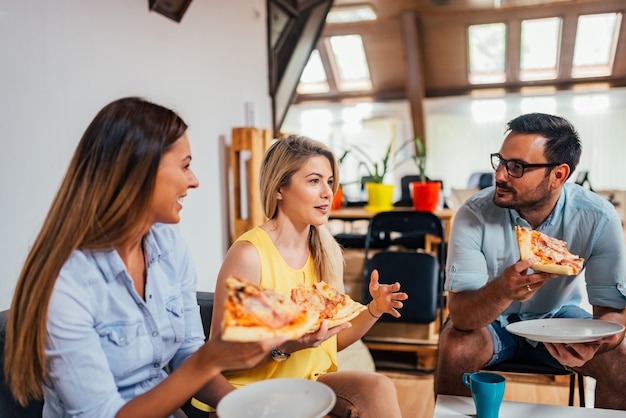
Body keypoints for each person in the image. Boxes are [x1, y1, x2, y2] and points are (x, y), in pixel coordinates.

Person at [4, 97, 284, 418]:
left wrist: (252, 408)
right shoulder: (66, 282)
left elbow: (187, 353)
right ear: (140, 171)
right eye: (185, 165)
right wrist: (213, 358)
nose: (194, 180)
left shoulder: (169, 246)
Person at [203, 135, 407, 417]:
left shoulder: (325, 250)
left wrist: (374, 309)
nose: (328, 192)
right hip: (251, 394)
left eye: (329, 181)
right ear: (279, 189)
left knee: (378, 387)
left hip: (309, 385)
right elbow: (221, 358)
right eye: (314, 181)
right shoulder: (249, 255)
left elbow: (332, 339)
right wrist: (286, 346)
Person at [434, 113, 626, 409]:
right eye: (500, 161)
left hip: (560, 319)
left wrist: (597, 344)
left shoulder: (598, 217)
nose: (499, 175)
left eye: (517, 167)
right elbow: (461, 316)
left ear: (559, 175)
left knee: (621, 356)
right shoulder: (472, 214)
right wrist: (502, 290)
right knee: (455, 345)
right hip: (489, 324)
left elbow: (613, 314)